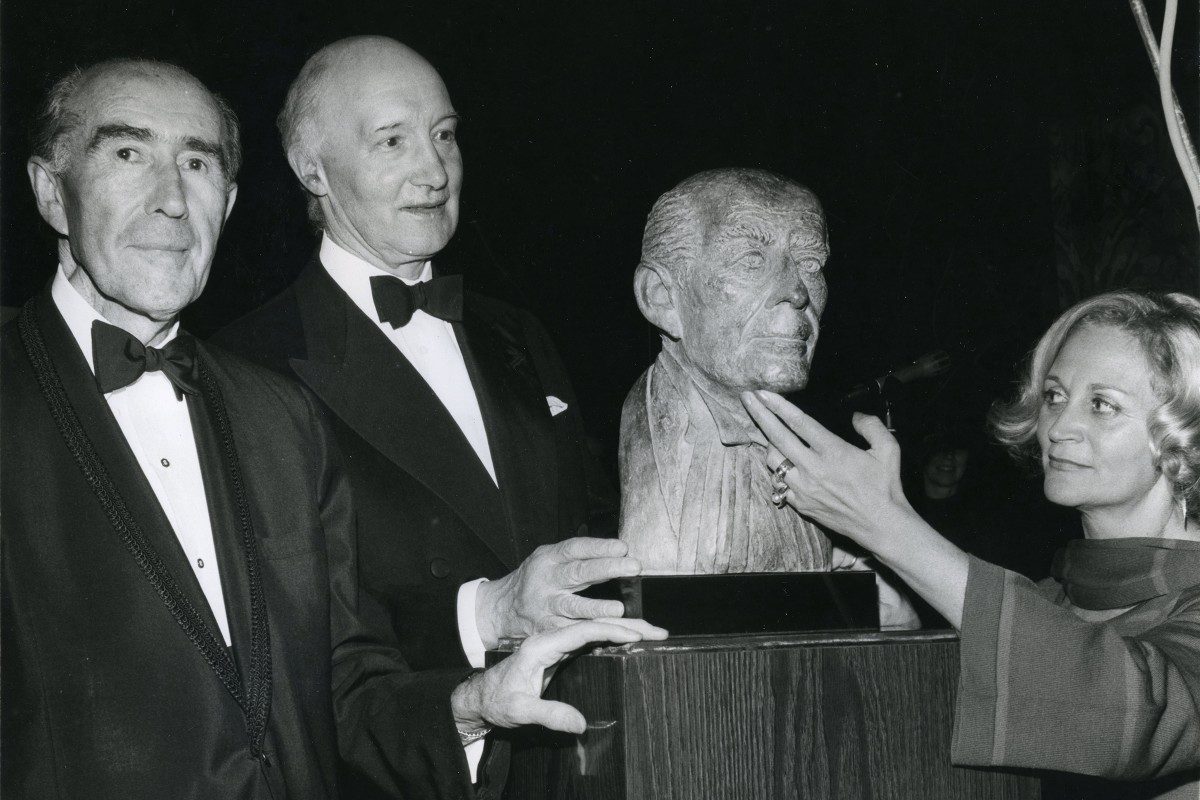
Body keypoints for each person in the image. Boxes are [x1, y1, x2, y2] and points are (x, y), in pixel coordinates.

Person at [0, 58, 664, 800]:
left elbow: (343, 681)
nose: (172, 201)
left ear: (231, 198)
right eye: (129, 155)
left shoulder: (275, 416)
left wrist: (469, 707)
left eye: (197, 163)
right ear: (51, 192)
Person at [743, 290, 1200, 799]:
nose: (1059, 427)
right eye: (1054, 395)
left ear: (1187, 433)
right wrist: (910, 634)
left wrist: (889, 528)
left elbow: (1129, 718)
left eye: (1102, 405)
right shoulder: (1055, 598)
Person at [619, 168, 833, 574]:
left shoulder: (794, 443)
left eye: (810, 262)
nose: (798, 290)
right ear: (661, 297)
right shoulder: (662, 432)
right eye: (752, 260)